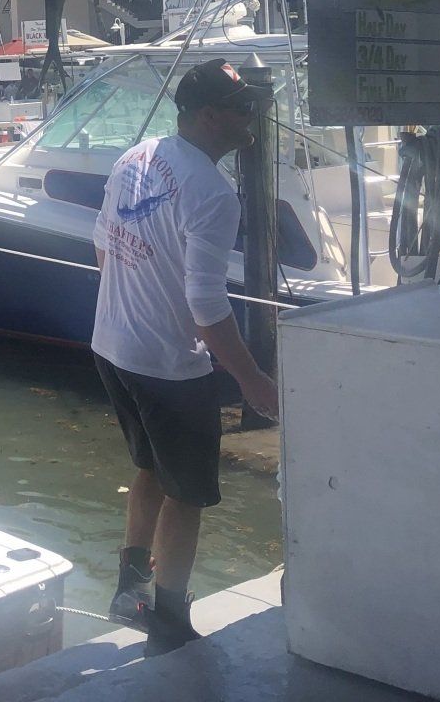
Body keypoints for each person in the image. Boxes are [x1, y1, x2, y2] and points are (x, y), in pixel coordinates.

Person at [92, 61, 281, 657]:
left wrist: (137, 309)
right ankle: (168, 619)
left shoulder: (137, 155)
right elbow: (206, 306)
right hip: (169, 367)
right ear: (208, 117)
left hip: (112, 348)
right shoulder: (212, 192)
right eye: (242, 107)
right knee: (190, 494)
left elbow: (104, 248)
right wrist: (254, 381)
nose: (253, 116)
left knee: (149, 466)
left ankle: (129, 587)